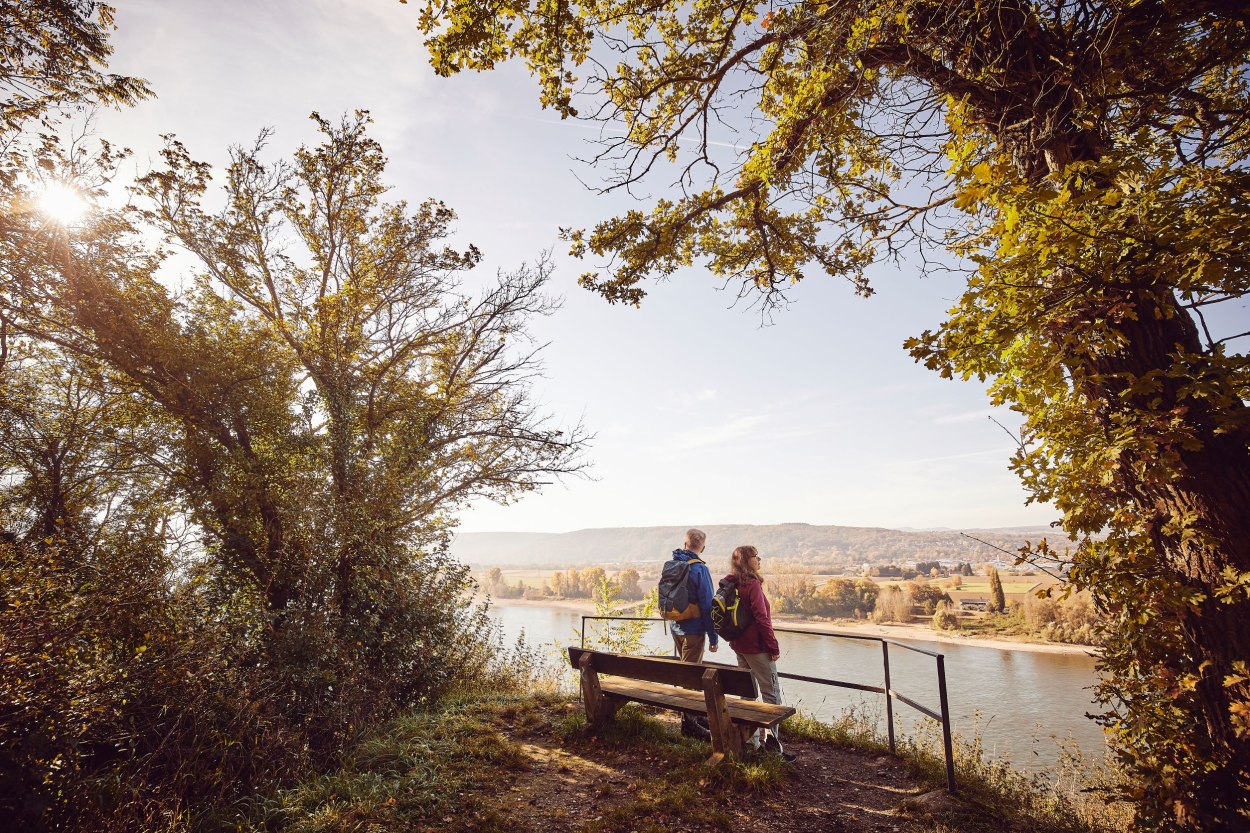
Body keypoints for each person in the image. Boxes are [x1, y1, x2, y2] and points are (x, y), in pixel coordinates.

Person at [722, 545, 797, 762]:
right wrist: (773, 646)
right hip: (757, 647)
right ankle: (773, 749)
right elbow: (762, 619)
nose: (759, 560)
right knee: (771, 694)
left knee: (747, 694)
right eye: (756, 557)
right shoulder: (752, 584)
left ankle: (751, 743)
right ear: (747, 560)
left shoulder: (732, 582)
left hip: (739, 646)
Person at [667, 528, 718, 738]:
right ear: (702, 548)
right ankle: (689, 724)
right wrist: (713, 637)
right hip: (694, 631)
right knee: (690, 677)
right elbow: (707, 606)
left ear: (685, 544)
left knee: (686, 672)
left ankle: (694, 716)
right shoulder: (700, 569)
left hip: (676, 627)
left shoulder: (672, 564)